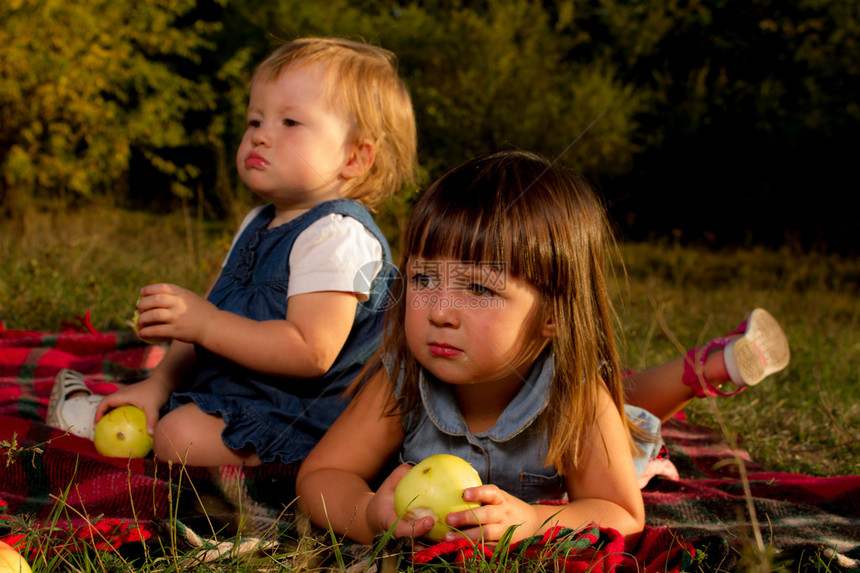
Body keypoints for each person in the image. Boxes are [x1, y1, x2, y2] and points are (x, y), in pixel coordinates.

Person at [295, 150, 789, 545]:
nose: (439, 310)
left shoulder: (576, 397)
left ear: (553, 315)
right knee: (624, 394)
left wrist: (532, 522)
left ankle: (705, 367)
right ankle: (713, 363)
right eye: (424, 278)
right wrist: (367, 515)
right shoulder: (402, 381)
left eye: (481, 289)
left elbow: (619, 512)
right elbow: (323, 474)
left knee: (626, 406)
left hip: (571, 398)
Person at [45, 36, 417, 467]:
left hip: (307, 421)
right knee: (174, 423)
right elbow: (205, 317)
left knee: (178, 436)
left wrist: (206, 324)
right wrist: (160, 380)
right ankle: (145, 411)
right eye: (255, 120)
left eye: (290, 123)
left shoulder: (337, 237)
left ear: (354, 157)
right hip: (241, 395)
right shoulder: (257, 221)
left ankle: (259, 485)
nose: (260, 136)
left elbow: (311, 352)